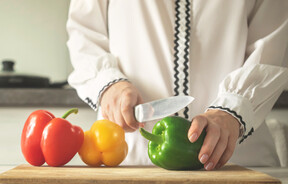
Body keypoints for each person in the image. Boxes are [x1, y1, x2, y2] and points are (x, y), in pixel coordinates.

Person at [66, 0, 288, 170]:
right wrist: (108, 83)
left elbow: (272, 43)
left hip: (240, 165)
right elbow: (83, 33)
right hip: (130, 165)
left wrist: (233, 109)